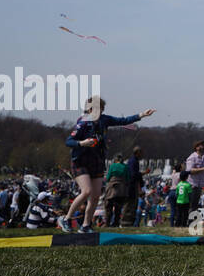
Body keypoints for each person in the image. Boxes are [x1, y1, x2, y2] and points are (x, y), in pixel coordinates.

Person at [60, 96, 156, 233]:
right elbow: (69, 141)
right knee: (86, 191)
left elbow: (123, 121)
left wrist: (142, 115)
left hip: (97, 161)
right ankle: (66, 219)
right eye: (97, 109)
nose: (99, 112)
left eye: (102, 109)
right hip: (81, 161)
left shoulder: (104, 120)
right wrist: (82, 143)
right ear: (89, 109)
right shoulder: (83, 123)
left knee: (95, 196)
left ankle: (86, 225)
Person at [103, 154, 130, 227]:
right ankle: (116, 223)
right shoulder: (125, 167)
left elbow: (108, 177)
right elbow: (128, 178)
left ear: (115, 159)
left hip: (112, 188)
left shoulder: (112, 166)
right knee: (118, 208)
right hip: (122, 189)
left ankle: (107, 223)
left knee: (108, 207)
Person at [123, 147, 146, 227]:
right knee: (130, 203)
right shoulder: (133, 161)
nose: (142, 155)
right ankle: (126, 222)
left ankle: (129, 222)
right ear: (137, 153)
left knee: (131, 204)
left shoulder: (133, 160)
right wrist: (143, 173)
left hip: (131, 185)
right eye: (141, 153)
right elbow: (133, 174)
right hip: (131, 185)